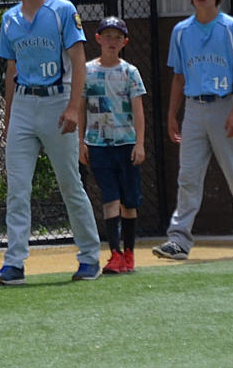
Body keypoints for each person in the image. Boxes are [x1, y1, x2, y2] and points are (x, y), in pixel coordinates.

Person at [0, 0, 102, 285]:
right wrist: (9, 117)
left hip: (57, 103)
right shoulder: (9, 19)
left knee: (70, 183)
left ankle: (89, 258)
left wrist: (73, 107)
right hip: (24, 105)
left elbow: (79, 61)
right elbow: (11, 68)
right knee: (17, 188)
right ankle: (14, 264)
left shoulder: (61, 11)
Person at [152, 0, 233, 261]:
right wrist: (172, 115)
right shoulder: (181, 31)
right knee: (188, 177)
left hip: (225, 104)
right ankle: (179, 241)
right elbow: (178, 76)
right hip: (194, 108)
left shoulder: (230, 27)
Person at [78, 16, 146, 275]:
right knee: (110, 198)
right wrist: (81, 141)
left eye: (117, 37)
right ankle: (114, 254)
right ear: (98, 39)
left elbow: (138, 110)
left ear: (124, 42)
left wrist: (139, 143)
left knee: (129, 202)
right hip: (98, 144)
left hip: (126, 143)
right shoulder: (88, 71)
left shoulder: (130, 72)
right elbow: (82, 107)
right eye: (107, 36)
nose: (111, 41)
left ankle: (129, 254)